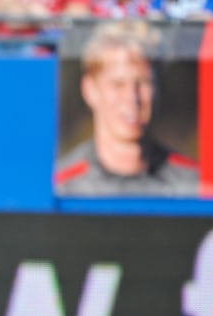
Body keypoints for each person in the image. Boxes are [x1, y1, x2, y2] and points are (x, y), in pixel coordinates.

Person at [55, 20, 199, 197]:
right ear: (90, 90)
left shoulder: (192, 184)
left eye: (143, 83)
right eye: (118, 84)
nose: (132, 98)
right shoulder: (61, 187)